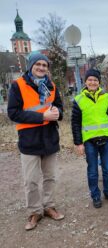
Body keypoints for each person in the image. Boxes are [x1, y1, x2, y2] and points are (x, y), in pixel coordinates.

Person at [7, 52, 64, 231]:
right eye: (38, 64)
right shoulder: (18, 86)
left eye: (44, 65)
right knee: (31, 180)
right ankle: (34, 211)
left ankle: (48, 206)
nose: (41, 67)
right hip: (29, 140)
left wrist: (57, 113)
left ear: (47, 68)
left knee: (50, 177)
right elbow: (13, 113)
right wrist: (42, 116)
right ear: (31, 66)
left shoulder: (51, 86)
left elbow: (60, 108)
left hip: (49, 138)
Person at [71, 68, 108, 208]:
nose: (92, 82)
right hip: (89, 141)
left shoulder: (107, 97)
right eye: (90, 80)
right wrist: (78, 143)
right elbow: (75, 123)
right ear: (85, 81)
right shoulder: (79, 100)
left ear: (99, 82)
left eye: (95, 80)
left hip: (106, 139)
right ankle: (95, 195)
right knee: (93, 171)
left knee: (107, 169)